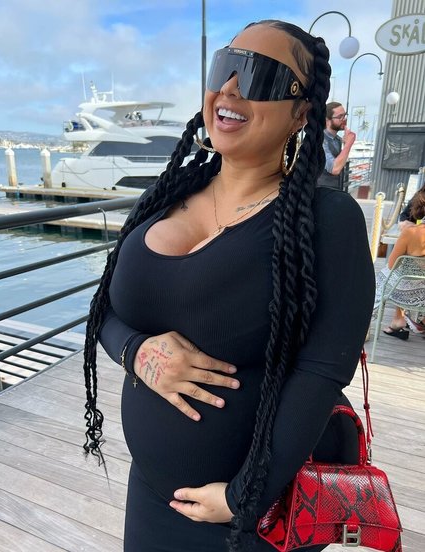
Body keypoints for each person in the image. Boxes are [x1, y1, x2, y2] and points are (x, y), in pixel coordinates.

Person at [82, 19, 375, 552]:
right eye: (225, 67)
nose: (231, 88)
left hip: (254, 517)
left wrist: (247, 496)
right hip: (151, 494)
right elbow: (105, 308)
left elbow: (322, 370)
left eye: (261, 75)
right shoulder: (167, 195)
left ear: (301, 113)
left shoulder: (326, 220)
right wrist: (138, 351)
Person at [380, 188, 425, 339]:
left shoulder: (411, 232)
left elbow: (392, 265)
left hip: (408, 294)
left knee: (390, 274)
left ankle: (398, 319)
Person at [317, 101, 356, 191]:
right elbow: (334, 169)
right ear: (327, 120)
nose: (344, 119)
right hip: (321, 191)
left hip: (334, 190)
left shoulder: (338, 140)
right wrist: (349, 144)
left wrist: (345, 144)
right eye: (340, 117)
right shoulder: (321, 140)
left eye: (345, 115)